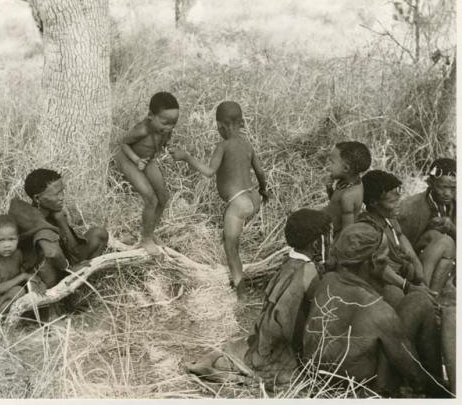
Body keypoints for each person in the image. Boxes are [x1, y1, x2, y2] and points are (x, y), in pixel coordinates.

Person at [185, 209, 332, 388]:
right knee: (295, 379)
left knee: (239, 349)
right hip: (281, 346)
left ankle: (220, 364)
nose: (331, 241)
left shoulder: (289, 262)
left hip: (265, 334)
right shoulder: (310, 272)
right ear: (317, 244)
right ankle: (228, 374)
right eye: (328, 237)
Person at [303, 223, 446, 398]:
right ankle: (438, 381)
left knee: (402, 298)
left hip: (321, 382)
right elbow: (416, 376)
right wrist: (445, 391)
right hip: (366, 392)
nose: (388, 264)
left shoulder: (327, 280)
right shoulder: (378, 312)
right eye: (385, 259)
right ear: (371, 261)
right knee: (420, 302)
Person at [171, 101, 268, 295]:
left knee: (230, 248)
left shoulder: (223, 146)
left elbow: (209, 172)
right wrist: (264, 191)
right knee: (233, 237)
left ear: (220, 126)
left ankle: (240, 291)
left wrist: (186, 157)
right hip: (253, 197)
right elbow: (260, 172)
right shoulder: (247, 145)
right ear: (242, 123)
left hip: (239, 203)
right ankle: (240, 274)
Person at [8, 169, 108, 289]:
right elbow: (51, 252)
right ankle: (58, 301)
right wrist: (69, 269)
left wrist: (61, 221)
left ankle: (83, 283)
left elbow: (75, 251)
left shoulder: (53, 210)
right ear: (37, 199)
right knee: (45, 266)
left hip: (63, 261)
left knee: (99, 234)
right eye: (56, 194)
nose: (62, 197)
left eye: (62, 191)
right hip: (39, 272)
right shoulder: (32, 219)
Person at [358, 170, 436, 307]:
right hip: (382, 280)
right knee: (396, 296)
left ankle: (430, 298)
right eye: (393, 202)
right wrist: (407, 286)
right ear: (373, 202)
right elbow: (379, 268)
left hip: (400, 272)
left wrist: (418, 268)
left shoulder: (389, 219)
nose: (399, 204)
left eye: (398, 199)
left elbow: (402, 239)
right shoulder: (368, 228)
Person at [115, 92, 179, 255]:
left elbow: (164, 141)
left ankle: (150, 231)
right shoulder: (142, 129)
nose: (169, 128)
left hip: (146, 160)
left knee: (163, 198)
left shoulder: (166, 130)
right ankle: (145, 239)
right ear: (151, 115)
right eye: (166, 123)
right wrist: (136, 160)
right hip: (129, 159)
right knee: (151, 199)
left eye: (173, 123)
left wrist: (169, 147)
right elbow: (123, 144)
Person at [398, 158, 456, 292]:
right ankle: (425, 294)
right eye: (443, 187)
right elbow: (400, 248)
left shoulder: (456, 203)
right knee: (442, 241)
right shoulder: (410, 209)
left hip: (447, 263)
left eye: (453, 188)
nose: (448, 193)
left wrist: (452, 228)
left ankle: (434, 295)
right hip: (414, 266)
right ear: (430, 183)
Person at [323, 141, 371, 237]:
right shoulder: (346, 182)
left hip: (334, 234)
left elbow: (347, 232)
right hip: (329, 222)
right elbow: (335, 201)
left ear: (346, 168)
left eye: (332, 162)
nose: (328, 167)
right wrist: (329, 187)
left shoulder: (348, 197)